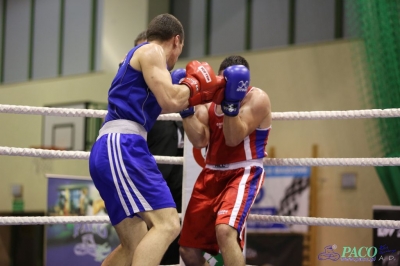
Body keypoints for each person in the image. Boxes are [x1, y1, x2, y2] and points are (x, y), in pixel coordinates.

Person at [88, 13, 231, 266]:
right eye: (180, 49)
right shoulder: (152, 51)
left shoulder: (148, 66)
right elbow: (172, 100)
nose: (176, 60)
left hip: (116, 147)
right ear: (176, 41)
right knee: (167, 224)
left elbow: (168, 104)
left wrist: (205, 91)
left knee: (134, 243)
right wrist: (194, 85)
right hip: (122, 146)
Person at [178, 55, 272, 266]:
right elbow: (200, 140)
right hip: (210, 174)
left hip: (243, 172)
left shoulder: (257, 98)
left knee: (225, 230)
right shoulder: (210, 101)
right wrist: (186, 110)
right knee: (188, 250)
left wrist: (230, 103)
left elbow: (233, 138)